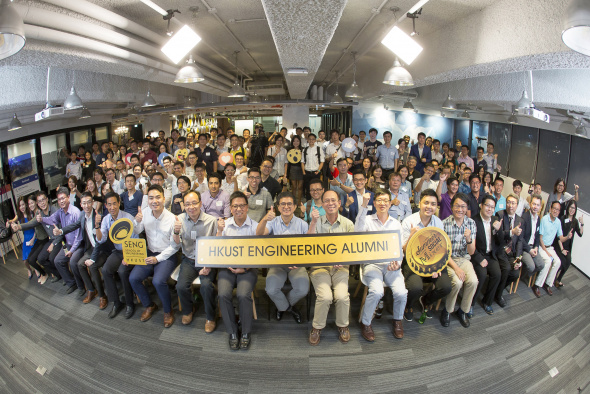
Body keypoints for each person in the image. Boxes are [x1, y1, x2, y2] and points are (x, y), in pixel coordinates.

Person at [355, 189, 407, 341]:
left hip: (392, 266)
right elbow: (357, 231)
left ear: (390, 203)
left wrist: (397, 264)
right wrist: (363, 206)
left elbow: (399, 249)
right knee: (377, 291)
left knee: (401, 293)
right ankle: (366, 323)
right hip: (372, 265)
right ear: (375, 203)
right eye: (379, 200)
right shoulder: (368, 220)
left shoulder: (396, 223)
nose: (383, 203)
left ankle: (397, 321)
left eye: (386, 200)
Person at [307, 190, 354, 345]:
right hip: (320, 267)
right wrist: (313, 222)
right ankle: (317, 327)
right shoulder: (316, 221)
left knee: (341, 296)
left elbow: (353, 249)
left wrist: (344, 259)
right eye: (326, 201)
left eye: (333, 200)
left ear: (339, 203)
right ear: (323, 204)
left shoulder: (348, 224)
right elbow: (308, 245)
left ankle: (343, 325)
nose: (330, 203)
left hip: (341, 268)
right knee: (325, 296)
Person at [130, 185, 179, 328]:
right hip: (150, 252)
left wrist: (158, 258)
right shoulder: (145, 213)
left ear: (164, 199)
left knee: (158, 281)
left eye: (158, 197)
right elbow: (137, 230)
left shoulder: (171, 218)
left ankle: (168, 311)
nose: (154, 201)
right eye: (151, 198)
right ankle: (149, 305)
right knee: (133, 278)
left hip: (167, 255)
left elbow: (175, 246)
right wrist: (137, 221)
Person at [257, 192, 309, 324]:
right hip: (277, 265)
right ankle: (288, 308)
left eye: (289, 204)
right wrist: (264, 219)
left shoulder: (302, 224)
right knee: (270, 289)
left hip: (297, 264)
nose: (286, 207)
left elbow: (308, 248)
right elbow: (259, 235)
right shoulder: (272, 222)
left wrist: (299, 261)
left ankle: (282, 306)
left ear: (295, 206)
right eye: (283, 204)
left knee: (303, 289)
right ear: (278, 207)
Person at [216, 191, 259, 350]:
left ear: (247, 207)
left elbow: (259, 254)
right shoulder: (224, 225)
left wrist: (245, 267)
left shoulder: (255, 227)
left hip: (248, 269)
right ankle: (232, 332)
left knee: (243, 294)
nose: (238, 209)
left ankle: (246, 332)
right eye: (235, 206)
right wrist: (219, 231)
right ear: (231, 208)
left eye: (242, 205)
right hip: (227, 268)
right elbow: (216, 250)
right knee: (223, 294)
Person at [401, 189, 451, 322]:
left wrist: (435, 267)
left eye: (433, 204)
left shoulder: (438, 222)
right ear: (419, 203)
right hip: (412, 262)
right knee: (415, 287)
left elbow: (441, 249)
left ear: (436, 207)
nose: (429, 207)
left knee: (446, 286)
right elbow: (404, 251)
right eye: (426, 203)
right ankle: (409, 306)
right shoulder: (408, 221)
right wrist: (411, 236)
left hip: (433, 260)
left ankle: (426, 300)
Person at [173, 190, 218, 331]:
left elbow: (217, 246)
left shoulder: (211, 221)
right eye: (187, 204)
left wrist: (209, 265)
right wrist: (175, 232)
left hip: (207, 260)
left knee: (206, 286)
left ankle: (210, 317)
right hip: (189, 259)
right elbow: (175, 244)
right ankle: (188, 310)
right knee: (180, 286)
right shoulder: (179, 219)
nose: (191, 207)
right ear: (184, 206)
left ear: (200, 203)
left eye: (194, 203)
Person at [55, 192, 108, 307]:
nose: (87, 205)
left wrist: (93, 259)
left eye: (89, 202)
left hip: (101, 250)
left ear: (93, 203)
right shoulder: (83, 215)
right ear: (81, 205)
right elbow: (74, 225)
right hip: (91, 249)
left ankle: (102, 296)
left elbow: (100, 241)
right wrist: (61, 231)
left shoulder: (99, 217)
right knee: (80, 264)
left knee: (92, 266)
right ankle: (91, 290)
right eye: (84, 203)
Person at [97, 192, 141, 319]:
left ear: (119, 203)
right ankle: (116, 303)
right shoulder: (106, 219)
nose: (112, 207)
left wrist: (128, 257)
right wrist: (96, 226)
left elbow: (135, 239)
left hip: (130, 250)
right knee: (106, 270)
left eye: (114, 204)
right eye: (109, 205)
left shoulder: (128, 217)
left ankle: (129, 304)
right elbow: (101, 239)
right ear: (105, 205)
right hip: (118, 252)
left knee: (122, 271)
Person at [442, 193, 478, 328]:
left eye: (463, 206)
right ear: (452, 207)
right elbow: (443, 252)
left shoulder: (471, 223)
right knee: (456, 282)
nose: (460, 209)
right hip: (448, 260)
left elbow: (471, 252)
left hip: (464, 259)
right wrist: (456, 268)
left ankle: (463, 311)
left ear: (467, 208)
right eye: (457, 205)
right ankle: (447, 311)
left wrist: (469, 239)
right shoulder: (444, 224)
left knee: (473, 281)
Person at [39, 187, 82, 295]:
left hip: (79, 245)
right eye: (59, 199)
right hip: (68, 244)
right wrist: (42, 219)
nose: (61, 201)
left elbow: (79, 237)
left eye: (63, 198)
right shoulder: (60, 212)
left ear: (68, 197)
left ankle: (81, 285)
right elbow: (51, 219)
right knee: (57, 260)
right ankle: (72, 283)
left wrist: (71, 250)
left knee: (72, 262)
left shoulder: (75, 212)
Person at [471, 195, 502, 315]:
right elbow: (471, 246)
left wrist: (498, 231)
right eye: (487, 206)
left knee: (497, 274)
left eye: (492, 207)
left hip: (490, 255)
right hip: (477, 255)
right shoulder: (474, 221)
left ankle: (487, 302)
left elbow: (500, 242)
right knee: (482, 275)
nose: (489, 209)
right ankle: (471, 303)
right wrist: (479, 259)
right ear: (481, 206)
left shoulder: (495, 219)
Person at [534, 201, 573, 297]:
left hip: (550, 248)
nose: (555, 211)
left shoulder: (558, 222)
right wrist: (547, 252)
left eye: (558, 210)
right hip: (541, 247)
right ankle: (537, 285)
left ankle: (547, 284)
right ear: (550, 208)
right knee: (548, 262)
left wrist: (567, 237)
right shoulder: (544, 219)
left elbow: (561, 238)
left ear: (559, 212)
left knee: (558, 262)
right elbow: (540, 239)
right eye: (554, 208)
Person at [493, 194, 525, 307]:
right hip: (500, 249)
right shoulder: (500, 214)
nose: (510, 205)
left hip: (512, 252)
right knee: (506, 269)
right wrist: (512, 232)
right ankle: (498, 295)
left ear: (517, 205)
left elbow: (520, 241)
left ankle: (497, 289)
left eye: (513, 203)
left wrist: (518, 258)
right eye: (508, 202)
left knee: (515, 274)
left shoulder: (520, 220)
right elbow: (499, 236)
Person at [8, 196, 40, 281]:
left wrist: (33, 239)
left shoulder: (31, 213)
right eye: (20, 205)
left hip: (34, 236)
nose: (22, 207)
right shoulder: (19, 215)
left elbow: (36, 228)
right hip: (26, 239)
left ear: (26, 204)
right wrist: (9, 222)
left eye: (23, 205)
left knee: (32, 257)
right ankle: (29, 269)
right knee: (25, 261)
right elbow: (12, 221)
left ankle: (36, 268)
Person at [554, 200, 583, 287]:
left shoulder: (575, 221)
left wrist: (582, 224)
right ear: (568, 208)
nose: (572, 209)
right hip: (559, 245)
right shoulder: (563, 218)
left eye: (574, 208)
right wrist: (562, 249)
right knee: (562, 262)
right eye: (570, 207)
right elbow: (559, 236)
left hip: (567, 247)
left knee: (568, 262)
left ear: (575, 209)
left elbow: (580, 234)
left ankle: (558, 280)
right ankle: (553, 278)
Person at [301, 133, 325, 200]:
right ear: (307, 140)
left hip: (316, 173)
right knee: (308, 189)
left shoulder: (318, 149)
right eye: (310, 139)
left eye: (313, 139)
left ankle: (317, 203)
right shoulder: (305, 150)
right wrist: (303, 172)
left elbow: (322, 161)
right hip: (307, 172)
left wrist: (319, 170)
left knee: (316, 190)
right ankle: (308, 204)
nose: (311, 140)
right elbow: (302, 162)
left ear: (315, 140)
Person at [286, 135, 304, 206]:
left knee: (300, 187)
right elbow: (287, 162)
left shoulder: (303, 150)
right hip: (292, 169)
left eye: (297, 141)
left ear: (300, 142)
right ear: (292, 142)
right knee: (294, 187)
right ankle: (293, 202)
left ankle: (299, 202)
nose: (296, 142)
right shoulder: (289, 150)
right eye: (294, 141)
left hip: (301, 169)